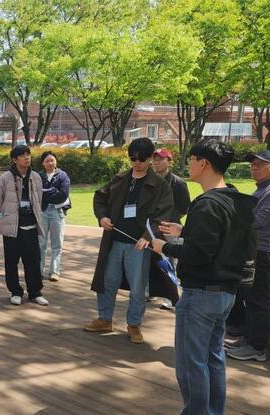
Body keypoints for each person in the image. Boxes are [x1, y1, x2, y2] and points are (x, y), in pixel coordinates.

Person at [150, 139, 257, 415]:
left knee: (190, 364)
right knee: (213, 358)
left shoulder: (207, 204)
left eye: (192, 159)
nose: (189, 164)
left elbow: (199, 254)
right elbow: (225, 240)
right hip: (225, 294)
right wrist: (184, 231)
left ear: (204, 163)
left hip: (201, 295)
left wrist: (164, 246)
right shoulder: (234, 198)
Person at [84, 137, 174, 344]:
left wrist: (147, 236)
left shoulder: (159, 185)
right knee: (107, 281)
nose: (137, 163)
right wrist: (102, 217)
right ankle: (105, 318)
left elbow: (163, 214)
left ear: (150, 158)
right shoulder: (121, 178)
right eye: (132, 158)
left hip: (139, 244)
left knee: (138, 286)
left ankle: (134, 324)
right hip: (114, 240)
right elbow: (100, 197)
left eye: (142, 159)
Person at [225, 150, 270, 362]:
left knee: (258, 299)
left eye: (261, 164)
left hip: (263, 251)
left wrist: (232, 220)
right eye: (253, 164)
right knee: (248, 297)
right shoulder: (261, 190)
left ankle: (257, 347)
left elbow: (256, 221)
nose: (254, 167)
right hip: (252, 249)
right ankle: (247, 339)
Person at [0, 145, 48, 306]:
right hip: (13, 228)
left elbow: (39, 199)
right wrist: (3, 221)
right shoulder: (4, 178)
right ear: (14, 159)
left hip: (31, 225)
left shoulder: (36, 177)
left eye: (28, 155)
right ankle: (15, 291)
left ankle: (35, 292)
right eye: (23, 155)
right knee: (11, 261)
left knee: (33, 260)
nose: (27, 158)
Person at [150, 147, 190, 310]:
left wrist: (171, 219)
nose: (157, 162)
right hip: (151, 226)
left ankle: (172, 296)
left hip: (169, 228)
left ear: (169, 161)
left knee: (170, 261)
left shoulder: (178, 183)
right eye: (155, 159)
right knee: (152, 259)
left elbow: (184, 207)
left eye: (161, 158)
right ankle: (152, 290)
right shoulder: (150, 180)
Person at [38, 151, 71, 282]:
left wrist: (47, 194)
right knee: (40, 243)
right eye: (47, 161)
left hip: (58, 212)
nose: (50, 163)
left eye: (52, 160)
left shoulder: (62, 175)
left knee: (57, 243)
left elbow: (63, 194)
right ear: (43, 163)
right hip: (43, 211)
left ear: (56, 161)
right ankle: (38, 271)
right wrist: (52, 193)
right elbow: (36, 193)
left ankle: (54, 271)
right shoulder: (38, 176)